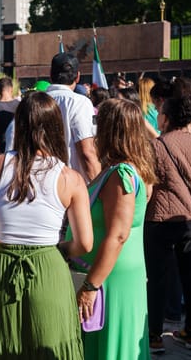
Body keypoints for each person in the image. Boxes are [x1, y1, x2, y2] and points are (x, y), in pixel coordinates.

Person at [0, 92, 93, 359]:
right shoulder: (70, 178)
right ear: (56, 127)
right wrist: (61, 248)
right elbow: (85, 243)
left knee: (3, 345)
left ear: (19, 125)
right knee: (51, 344)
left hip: (0, 265)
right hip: (48, 265)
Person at [69, 98, 157, 360]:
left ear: (111, 129)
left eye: (99, 123)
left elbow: (119, 235)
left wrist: (91, 286)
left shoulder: (121, 174)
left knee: (111, 346)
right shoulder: (123, 170)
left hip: (109, 277)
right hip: (109, 272)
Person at [145, 95, 191, 351]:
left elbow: (149, 183)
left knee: (157, 278)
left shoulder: (157, 146)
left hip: (160, 218)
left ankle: (154, 335)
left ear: (167, 117)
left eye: (160, 112)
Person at [47, 53, 101, 182]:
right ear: (77, 77)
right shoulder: (80, 103)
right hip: (72, 185)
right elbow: (87, 151)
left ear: (50, 74)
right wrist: (99, 189)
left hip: (40, 186)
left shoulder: (33, 102)